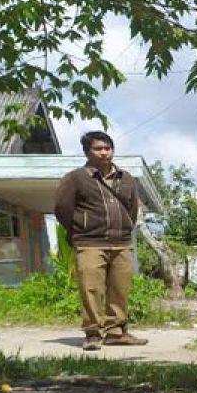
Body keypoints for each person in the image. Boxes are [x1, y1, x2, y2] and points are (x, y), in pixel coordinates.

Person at [54, 131, 146, 351]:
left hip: (121, 243)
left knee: (120, 289)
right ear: (87, 152)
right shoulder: (76, 177)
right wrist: (80, 227)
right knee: (91, 289)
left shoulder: (126, 178)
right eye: (98, 148)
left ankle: (116, 332)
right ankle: (93, 333)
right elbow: (62, 208)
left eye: (107, 148)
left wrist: (124, 226)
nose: (104, 152)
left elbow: (132, 209)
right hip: (89, 242)